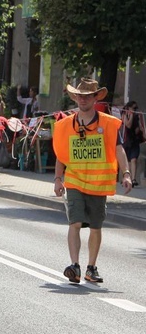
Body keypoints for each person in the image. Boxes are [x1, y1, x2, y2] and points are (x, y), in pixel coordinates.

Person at [53, 78, 132, 284]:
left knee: (96, 226)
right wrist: (58, 179)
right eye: (80, 95)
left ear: (96, 97)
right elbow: (61, 154)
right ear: (75, 97)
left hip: (99, 184)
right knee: (75, 222)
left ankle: (91, 268)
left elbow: (118, 149)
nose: (83, 99)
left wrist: (126, 173)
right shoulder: (66, 125)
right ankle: (74, 266)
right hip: (75, 182)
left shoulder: (108, 123)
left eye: (88, 96)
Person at [121, 101, 143, 186]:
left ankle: (133, 179)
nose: (135, 110)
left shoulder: (137, 116)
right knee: (127, 161)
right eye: (134, 108)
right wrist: (131, 116)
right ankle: (127, 178)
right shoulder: (124, 115)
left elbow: (139, 128)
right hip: (127, 140)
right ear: (129, 108)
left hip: (135, 140)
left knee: (134, 159)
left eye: (136, 108)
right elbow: (128, 125)